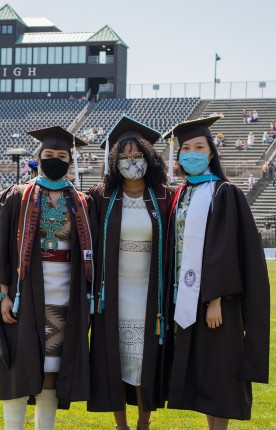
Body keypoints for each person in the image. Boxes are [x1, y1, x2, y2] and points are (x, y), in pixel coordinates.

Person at [161, 114, 270, 428]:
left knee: (219, 374)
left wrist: (216, 299)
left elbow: (226, 250)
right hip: (185, 298)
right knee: (202, 374)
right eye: (186, 149)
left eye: (199, 147)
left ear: (210, 153)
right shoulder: (182, 194)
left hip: (215, 302)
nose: (192, 153)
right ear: (180, 156)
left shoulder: (224, 193)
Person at [0, 126, 94, 430]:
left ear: (70, 162)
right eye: (49, 155)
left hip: (65, 293)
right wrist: (4, 294)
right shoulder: (18, 196)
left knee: (52, 369)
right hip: (26, 292)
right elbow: (3, 250)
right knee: (19, 364)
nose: (55, 160)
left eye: (62, 156)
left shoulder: (81, 202)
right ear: (38, 158)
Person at [86, 116, 173, 430]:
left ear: (149, 158)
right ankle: (121, 424)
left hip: (149, 294)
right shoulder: (101, 197)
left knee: (142, 360)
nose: (131, 162)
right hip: (114, 294)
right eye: (124, 157)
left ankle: (143, 423)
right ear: (114, 161)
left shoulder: (165, 197)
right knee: (116, 359)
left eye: (137, 156)